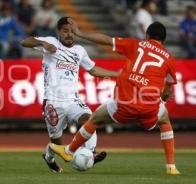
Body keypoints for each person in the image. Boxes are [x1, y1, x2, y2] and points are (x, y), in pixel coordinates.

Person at [49, 18, 181, 175]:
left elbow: (105, 40)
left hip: (124, 103)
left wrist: (80, 33)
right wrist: (164, 96)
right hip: (149, 108)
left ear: (146, 36)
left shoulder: (135, 44)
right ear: (163, 40)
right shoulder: (169, 59)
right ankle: (171, 167)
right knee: (165, 121)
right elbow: (167, 92)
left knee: (95, 118)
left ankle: (69, 151)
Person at [21, 17, 120, 173]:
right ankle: (49, 157)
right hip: (53, 102)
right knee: (56, 142)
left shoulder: (79, 51)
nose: (69, 34)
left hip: (74, 100)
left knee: (89, 120)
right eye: (65, 31)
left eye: (72, 31)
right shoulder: (51, 41)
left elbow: (93, 70)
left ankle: (91, 153)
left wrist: (115, 74)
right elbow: (25, 42)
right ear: (58, 32)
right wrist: (43, 44)